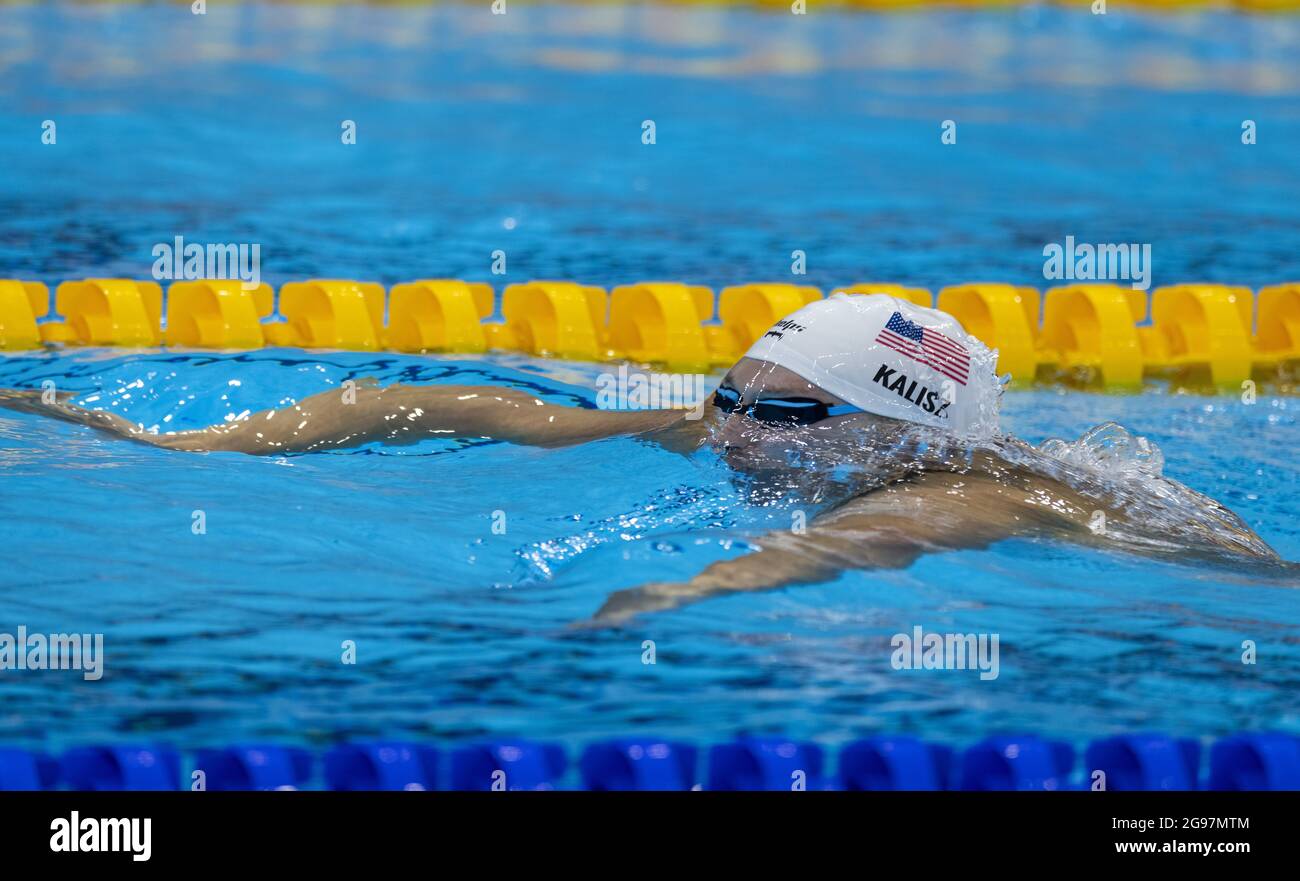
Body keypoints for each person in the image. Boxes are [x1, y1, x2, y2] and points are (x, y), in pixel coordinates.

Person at [0, 294, 1282, 623]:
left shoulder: (971, 488)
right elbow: (467, 407)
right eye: (724, 393)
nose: (726, 429)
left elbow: (839, 547)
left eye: (774, 416)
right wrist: (167, 442)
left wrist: (665, 600)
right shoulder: (767, 425)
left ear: (894, 433)